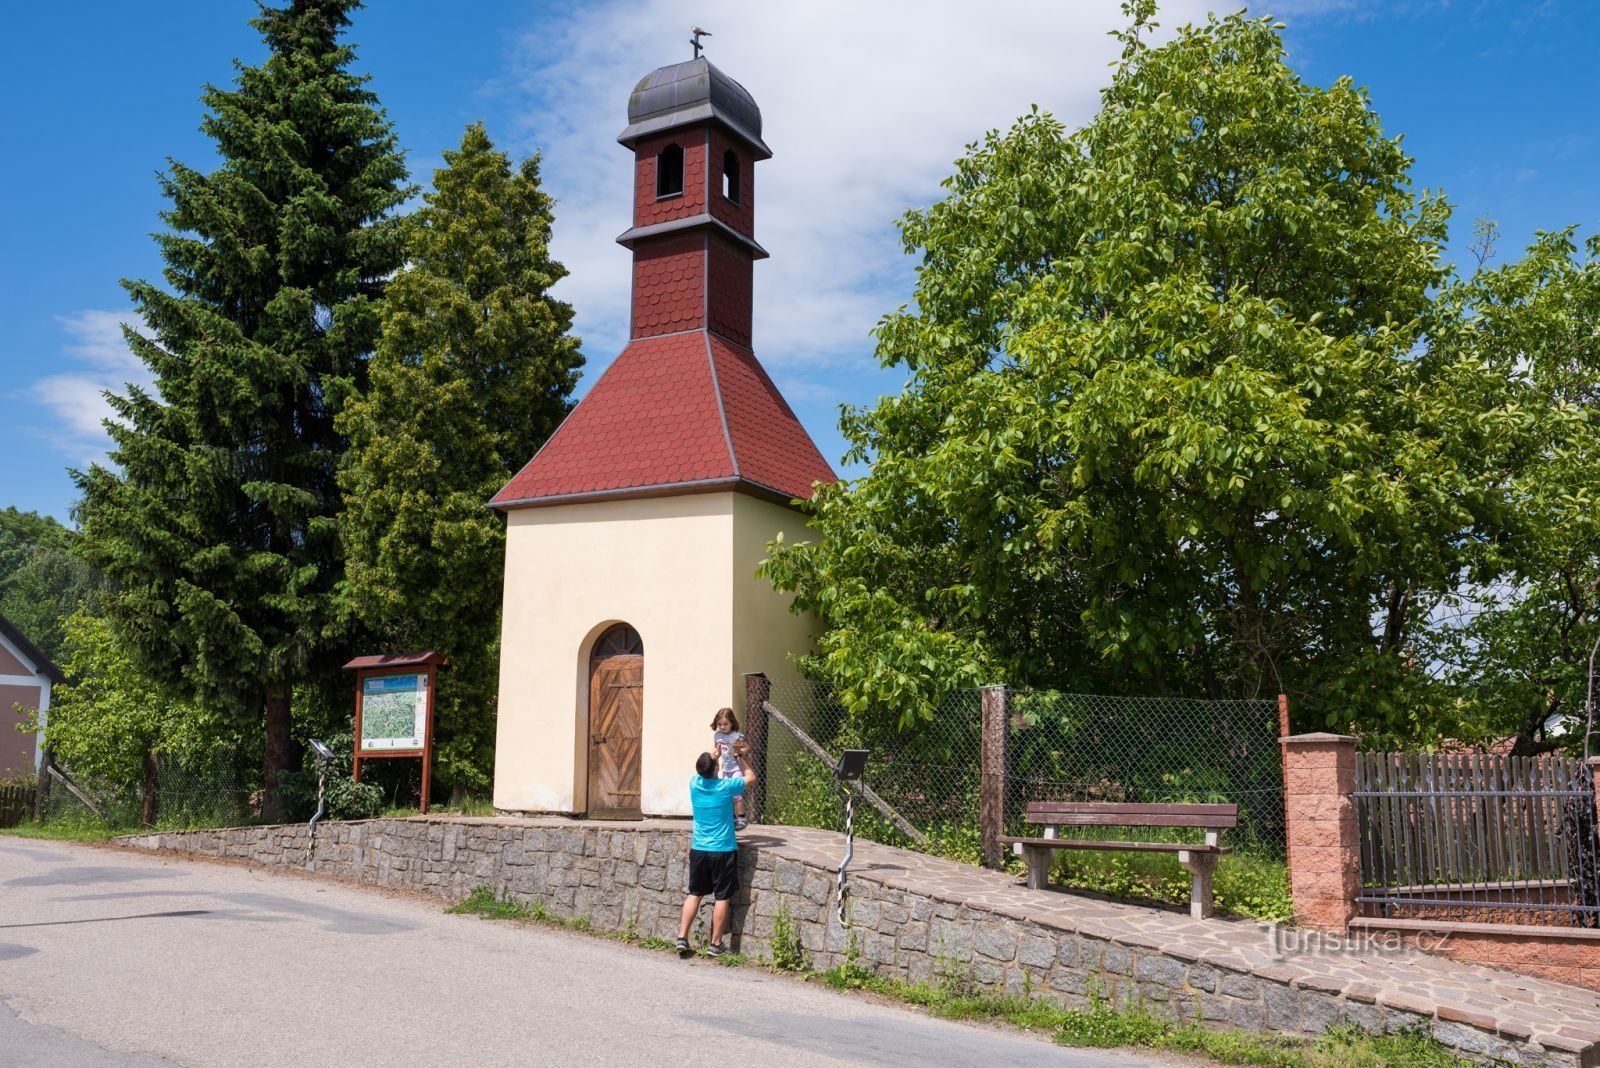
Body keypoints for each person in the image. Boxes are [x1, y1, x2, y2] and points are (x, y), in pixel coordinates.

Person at [677, 736, 754, 958]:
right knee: (722, 897)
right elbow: (751, 777)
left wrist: (714, 756)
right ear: (716, 768)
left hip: (699, 849)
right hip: (722, 849)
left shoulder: (694, 784)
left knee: (695, 893)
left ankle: (682, 937)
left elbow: (706, 768)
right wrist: (740, 757)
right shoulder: (725, 787)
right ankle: (716, 943)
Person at [710, 707, 749, 831]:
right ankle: (731, 817)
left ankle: (742, 818)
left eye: (725, 724)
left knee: (736, 794)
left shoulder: (737, 736)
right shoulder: (717, 735)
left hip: (736, 768)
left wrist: (740, 751)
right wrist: (715, 755)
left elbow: (747, 748)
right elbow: (718, 750)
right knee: (727, 795)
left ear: (732, 722)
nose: (722, 727)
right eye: (719, 724)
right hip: (726, 769)